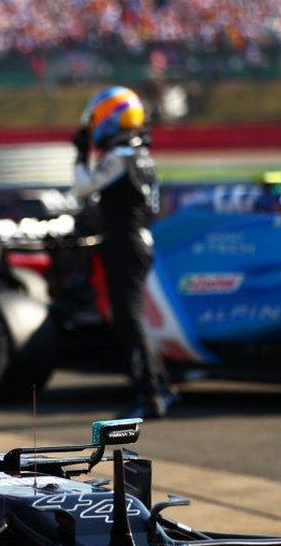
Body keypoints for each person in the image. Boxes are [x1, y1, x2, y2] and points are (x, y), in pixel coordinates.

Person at [68, 86, 176, 419]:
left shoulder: (119, 157)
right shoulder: (141, 153)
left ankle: (151, 393)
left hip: (125, 242)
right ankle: (161, 385)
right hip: (138, 240)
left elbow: (81, 187)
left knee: (128, 320)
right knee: (133, 319)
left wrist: (80, 153)